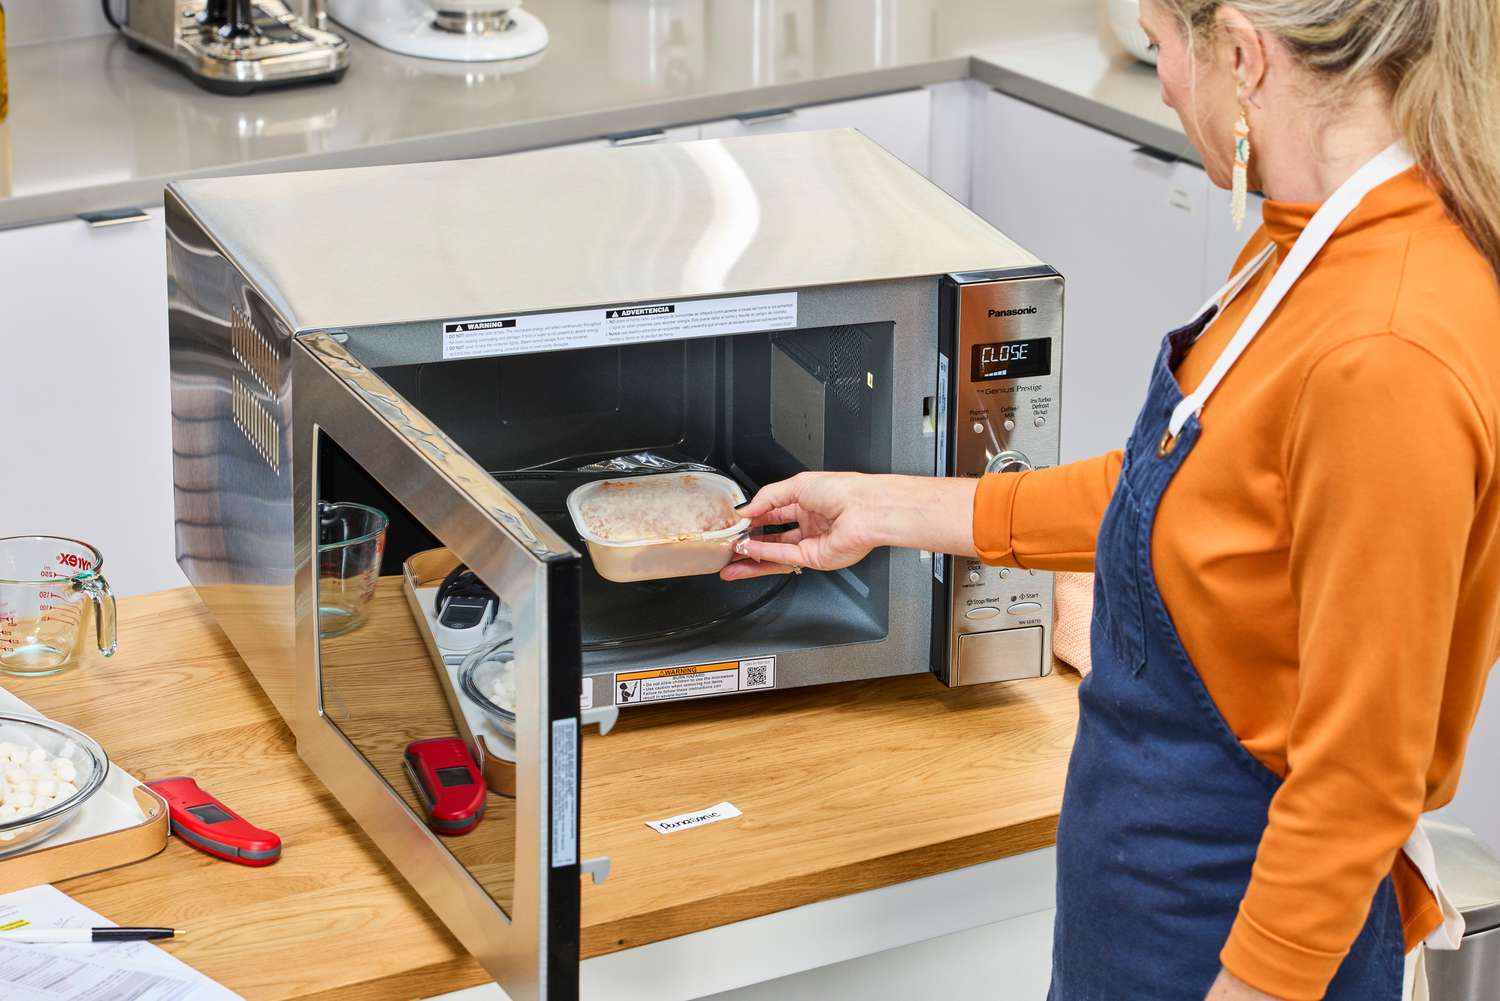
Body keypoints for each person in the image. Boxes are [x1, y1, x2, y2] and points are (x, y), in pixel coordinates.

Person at [721, 1, 1500, 998]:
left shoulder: (1384, 351)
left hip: (1230, 930)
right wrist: (886, 508)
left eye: (1164, 44)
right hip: (1145, 898)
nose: (1167, 81)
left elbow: (1360, 776)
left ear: (1244, 55)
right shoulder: (1308, 246)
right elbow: (1185, 496)